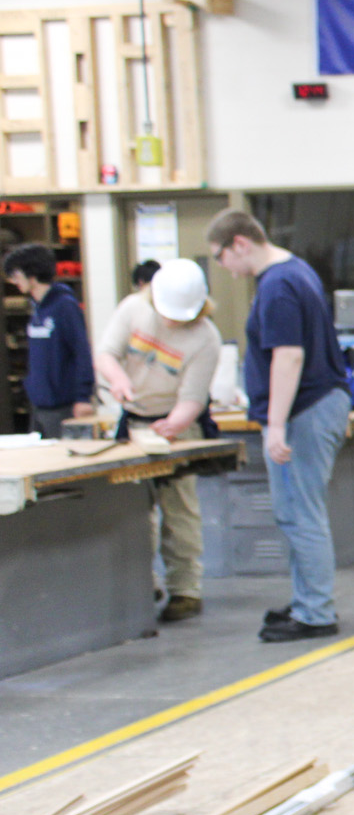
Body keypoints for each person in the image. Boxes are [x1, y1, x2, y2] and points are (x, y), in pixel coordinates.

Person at [206, 209, 350, 642]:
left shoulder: (277, 287)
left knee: (299, 513)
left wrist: (274, 424)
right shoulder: (296, 271)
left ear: (240, 244)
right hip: (318, 402)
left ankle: (315, 612)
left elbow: (289, 356)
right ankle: (309, 598)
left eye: (221, 259)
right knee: (297, 511)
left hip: (304, 409)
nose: (226, 272)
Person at [94, 258, 223, 623]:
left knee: (180, 510)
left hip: (177, 426)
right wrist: (118, 380)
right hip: (133, 421)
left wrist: (174, 423)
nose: (170, 322)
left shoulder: (205, 338)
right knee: (135, 508)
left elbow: (193, 397)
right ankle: (142, 582)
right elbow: (106, 354)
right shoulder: (133, 309)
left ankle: (185, 589)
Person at [4, 244, 95, 439]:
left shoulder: (65, 306)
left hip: (64, 405)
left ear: (32, 274)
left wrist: (83, 397)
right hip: (39, 405)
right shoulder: (37, 308)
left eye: (16, 274)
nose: (14, 281)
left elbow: (82, 352)